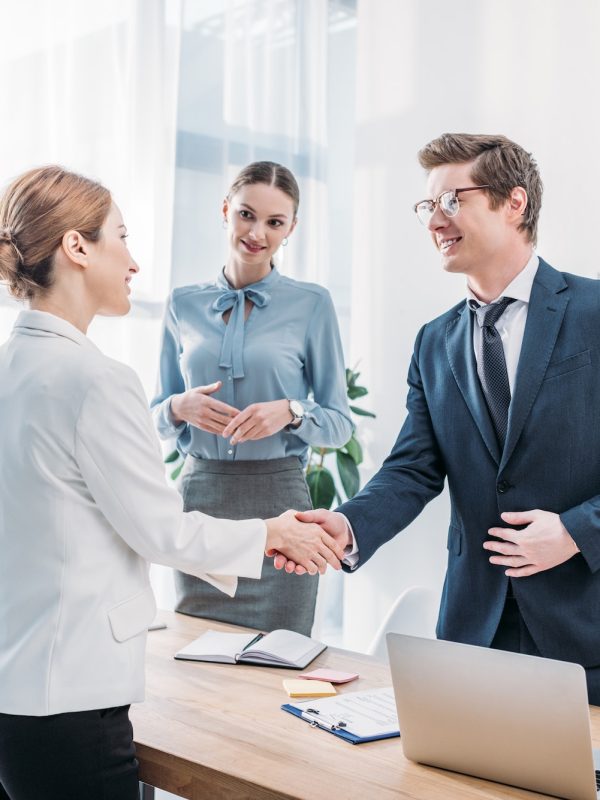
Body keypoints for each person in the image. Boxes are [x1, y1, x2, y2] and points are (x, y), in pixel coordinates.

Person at [0, 165, 344, 800]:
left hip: (23, 682)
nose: (133, 260)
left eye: (275, 221)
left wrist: (291, 413)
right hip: (74, 690)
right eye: (121, 236)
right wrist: (272, 533)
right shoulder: (97, 377)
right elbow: (161, 530)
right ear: (77, 247)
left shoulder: (17, 362)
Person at [281, 133, 600, 705]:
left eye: (452, 200)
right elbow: (413, 469)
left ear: (514, 203)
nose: (434, 221)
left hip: (586, 628)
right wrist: (349, 525)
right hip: (474, 631)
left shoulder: (595, 314)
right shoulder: (435, 342)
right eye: (427, 206)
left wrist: (577, 532)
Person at [151, 161, 352, 636]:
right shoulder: (182, 303)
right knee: (197, 660)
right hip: (202, 502)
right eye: (246, 214)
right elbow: (153, 416)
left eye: (274, 222)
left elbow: (339, 422)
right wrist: (180, 408)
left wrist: (291, 411)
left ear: (291, 228)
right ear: (225, 210)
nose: (257, 232)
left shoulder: (312, 304)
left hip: (281, 501)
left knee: (281, 662)